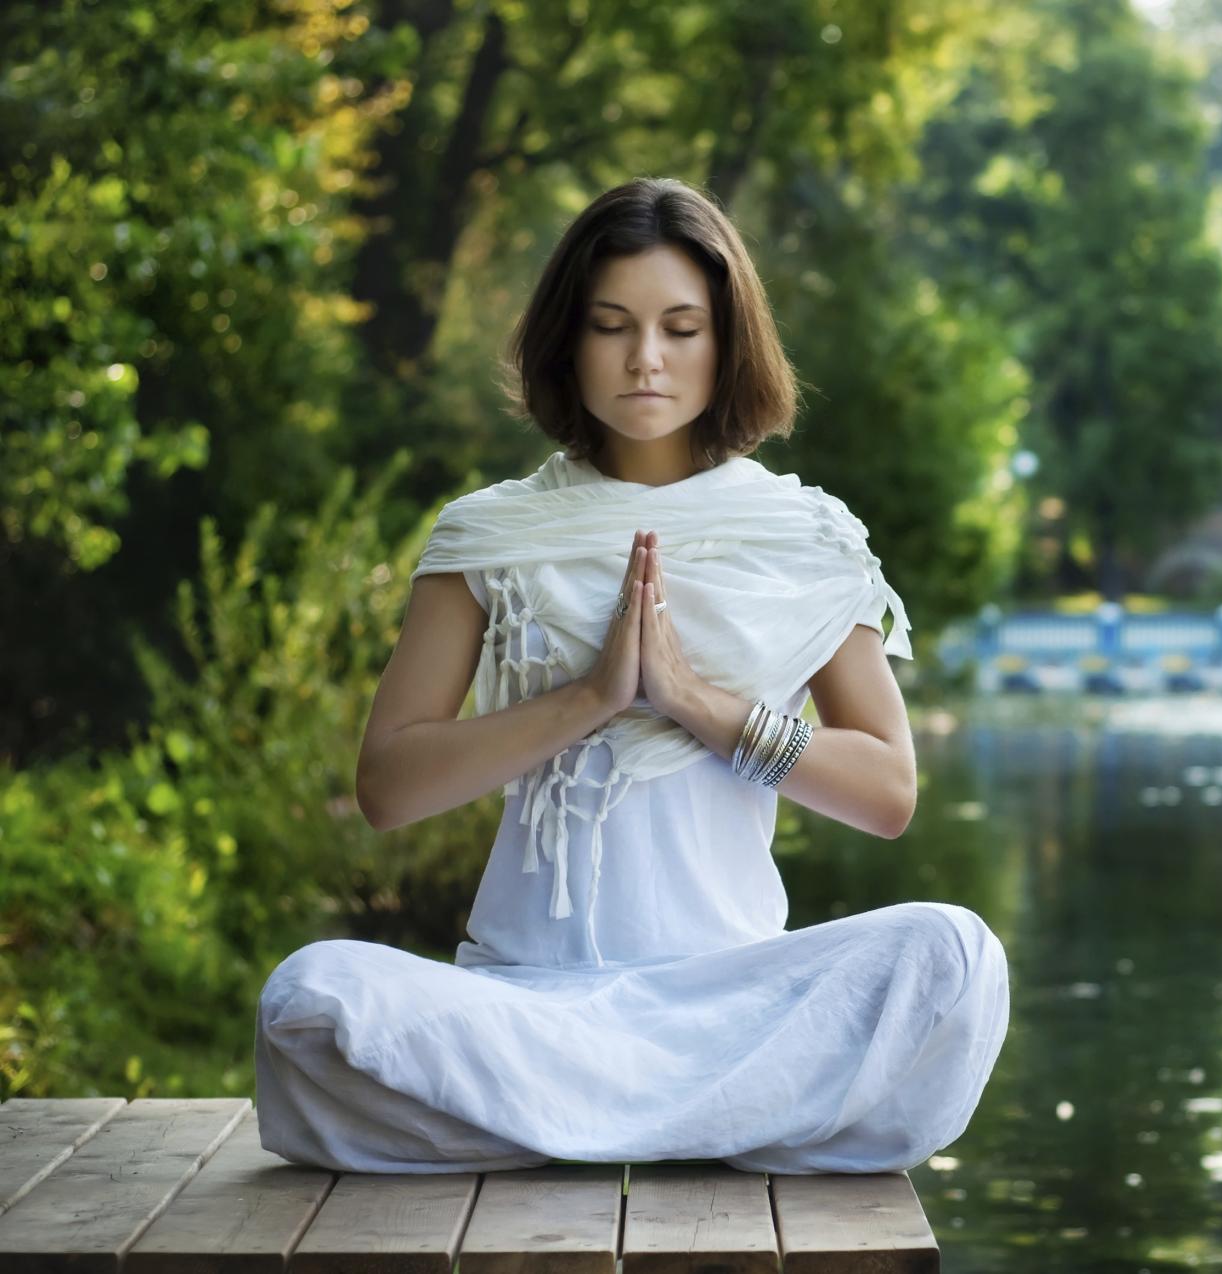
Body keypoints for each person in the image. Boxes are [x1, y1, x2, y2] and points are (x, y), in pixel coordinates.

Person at [253, 176, 1010, 1175]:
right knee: (309, 995)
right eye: (612, 325)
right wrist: (587, 699)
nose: (645, 358)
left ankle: (558, 1124)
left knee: (955, 958)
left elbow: (889, 790)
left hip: (732, 1002)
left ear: (729, 341)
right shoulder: (493, 532)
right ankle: (715, 1121)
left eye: (681, 327)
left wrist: (701, 705)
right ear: (569, 339)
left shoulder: (804, 534)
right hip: (529, 1002)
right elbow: (388, 786)